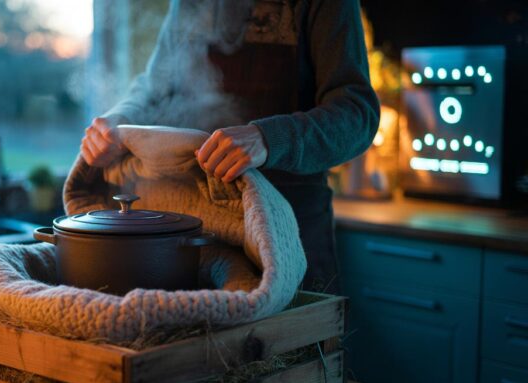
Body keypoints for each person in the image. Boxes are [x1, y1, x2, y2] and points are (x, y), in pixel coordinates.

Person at [80, 0, 380, 294]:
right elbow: (157, 87)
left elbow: (356, 113)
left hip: (290, 233)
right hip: (201, 232)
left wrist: (267, 138)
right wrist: (122, 118)